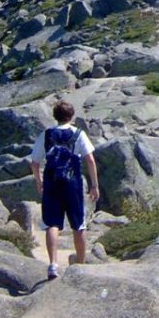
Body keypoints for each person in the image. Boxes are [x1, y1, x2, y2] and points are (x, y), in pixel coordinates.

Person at [30, 100, 99, 280]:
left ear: (55, 116)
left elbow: (35, 162)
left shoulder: (46, 134)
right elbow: (90, 160)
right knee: (78, 224)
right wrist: (94, 185)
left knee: (52, 223)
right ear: (72, 115)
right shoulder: (78, 134)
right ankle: (82, 265)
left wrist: (39, 181)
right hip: (73, 183)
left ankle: (53, 264)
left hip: (52, 182)